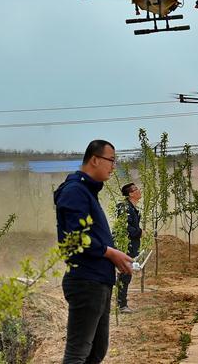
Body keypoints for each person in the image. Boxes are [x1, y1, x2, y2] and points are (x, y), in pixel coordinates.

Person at [54, 139, 133, 364]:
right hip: (86, 280)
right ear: (95, 160)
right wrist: (110, 253)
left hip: (98, 281)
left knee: (96, 351)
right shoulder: (75, 191)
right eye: (111, 160)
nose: (113, 167)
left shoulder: (87, 191)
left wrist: (113, 255)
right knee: (78, 354)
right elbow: (76, 236)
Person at [115, 182, 143, 314]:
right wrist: (139, 232)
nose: (139, 190)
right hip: (125, 246)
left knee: (126, 274)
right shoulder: (124, 207)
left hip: (131, 246)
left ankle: (121, 303)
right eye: (136, 189)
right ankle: (121, 305)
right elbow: (125, 227)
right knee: (125, 275)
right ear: (131, 194)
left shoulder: (132, 208)